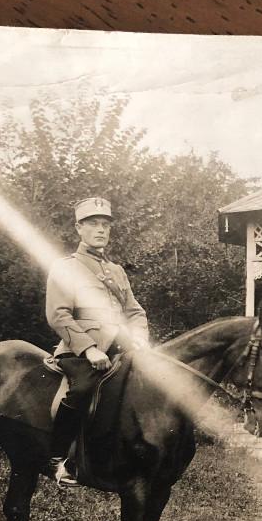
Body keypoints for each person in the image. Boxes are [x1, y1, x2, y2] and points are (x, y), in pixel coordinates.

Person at [45, 197, 150, 486]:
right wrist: (89, 349)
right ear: (79, 228)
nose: (101, 230)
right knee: (83, 390)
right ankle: (58, 459)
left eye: (105, 225)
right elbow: (58, 315)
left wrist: (139, 337)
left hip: (118, 348)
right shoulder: (66, 267)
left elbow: (135, 312)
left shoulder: (116, 271)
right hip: (79, 352)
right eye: (93, 224)